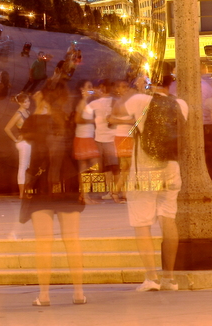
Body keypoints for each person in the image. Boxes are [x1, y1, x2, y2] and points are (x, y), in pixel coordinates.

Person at [116, 75, 187, 292]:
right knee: (168, 219)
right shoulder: (181, 104)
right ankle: (170, 278)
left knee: (142, 223)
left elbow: (115, 113)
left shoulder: (139, 100)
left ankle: (151, 278)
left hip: (144, 171)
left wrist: (136, 90)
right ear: (170, 82)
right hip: (171, 168)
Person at [19, 86, 85, 306]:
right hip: (68, 183)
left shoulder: (34, 121)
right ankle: (78, 293)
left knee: (43, 243)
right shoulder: (68, 120)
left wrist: (40, 108)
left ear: (44, 99)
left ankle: (44, 295)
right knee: (72, 240)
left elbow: (27, 138)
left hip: (42, 186)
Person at [83, 80, 121, 203]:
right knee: (111, 168)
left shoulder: (97, 103)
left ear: (102, 88)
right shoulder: (115, 101)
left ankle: (113, 192)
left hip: (103, 139)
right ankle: (113, 192)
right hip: (108, 139)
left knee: (109, 168)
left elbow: (83, 113)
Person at [72, 81, 99, 204]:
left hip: (87, 137)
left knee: (89, 167)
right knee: (89, 167)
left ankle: (83, 195)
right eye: (88, 87)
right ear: (82, 89)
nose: (91, 89)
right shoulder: (82, 102)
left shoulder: (88, 103)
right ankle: (84, 195)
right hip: (83, 137)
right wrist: (92, 121)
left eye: (91, 86)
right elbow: (77, 119)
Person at [4, 93, 32, 199]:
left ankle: (26, 191)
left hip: (28, 142)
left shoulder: (27, 112)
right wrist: (15, 139)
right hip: (23, 143)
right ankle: (22, 193)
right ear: (20, 103)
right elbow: (7, 128)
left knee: (28, 166)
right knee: (23, 166)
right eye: (25, 102)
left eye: (28, 101)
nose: (28, 103)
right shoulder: (19, 114)